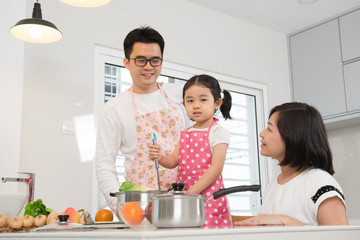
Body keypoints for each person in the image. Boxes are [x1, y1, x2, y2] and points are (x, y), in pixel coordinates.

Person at [95, 26, 191, 215]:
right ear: (127, 62)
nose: (148, 67)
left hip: (185, 200)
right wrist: (120, 207)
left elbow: (200, 139)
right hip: (141, 207)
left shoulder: (182, 94)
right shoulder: (114, 108)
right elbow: (104, 164)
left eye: (155, 60)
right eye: (140, 60)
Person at [235, 102, 349, 226]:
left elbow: (340, 237)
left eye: (269, 129)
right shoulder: (273, 184)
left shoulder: (319, 181)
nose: (262, 133)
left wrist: (286, 221)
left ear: (293, 136)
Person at [149, 74, 233, 228]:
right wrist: (160, 157)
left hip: (209, 197)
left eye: (203, 99)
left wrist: (192, 193)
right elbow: (173, 161)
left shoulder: (218, 132)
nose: (196, 105)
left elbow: (216, 168)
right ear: (184, 104)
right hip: (187, 198)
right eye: (190, 100)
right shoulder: (185, 132)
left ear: (217, 103)